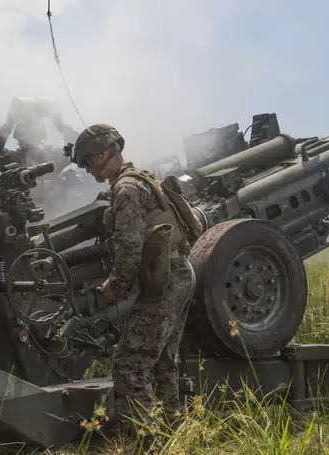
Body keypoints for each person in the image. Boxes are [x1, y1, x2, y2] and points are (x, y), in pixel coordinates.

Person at [72, 124, 197, 434]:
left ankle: (147, 440)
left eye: (88, 162)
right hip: (180, 272)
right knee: (164, 362)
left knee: (129, 364)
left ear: (101, 154)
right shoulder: (144, 178)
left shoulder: (125, 189)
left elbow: (130, 248)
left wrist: (114, 286)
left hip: (163, 280)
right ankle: (173, 432)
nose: (88, 170)